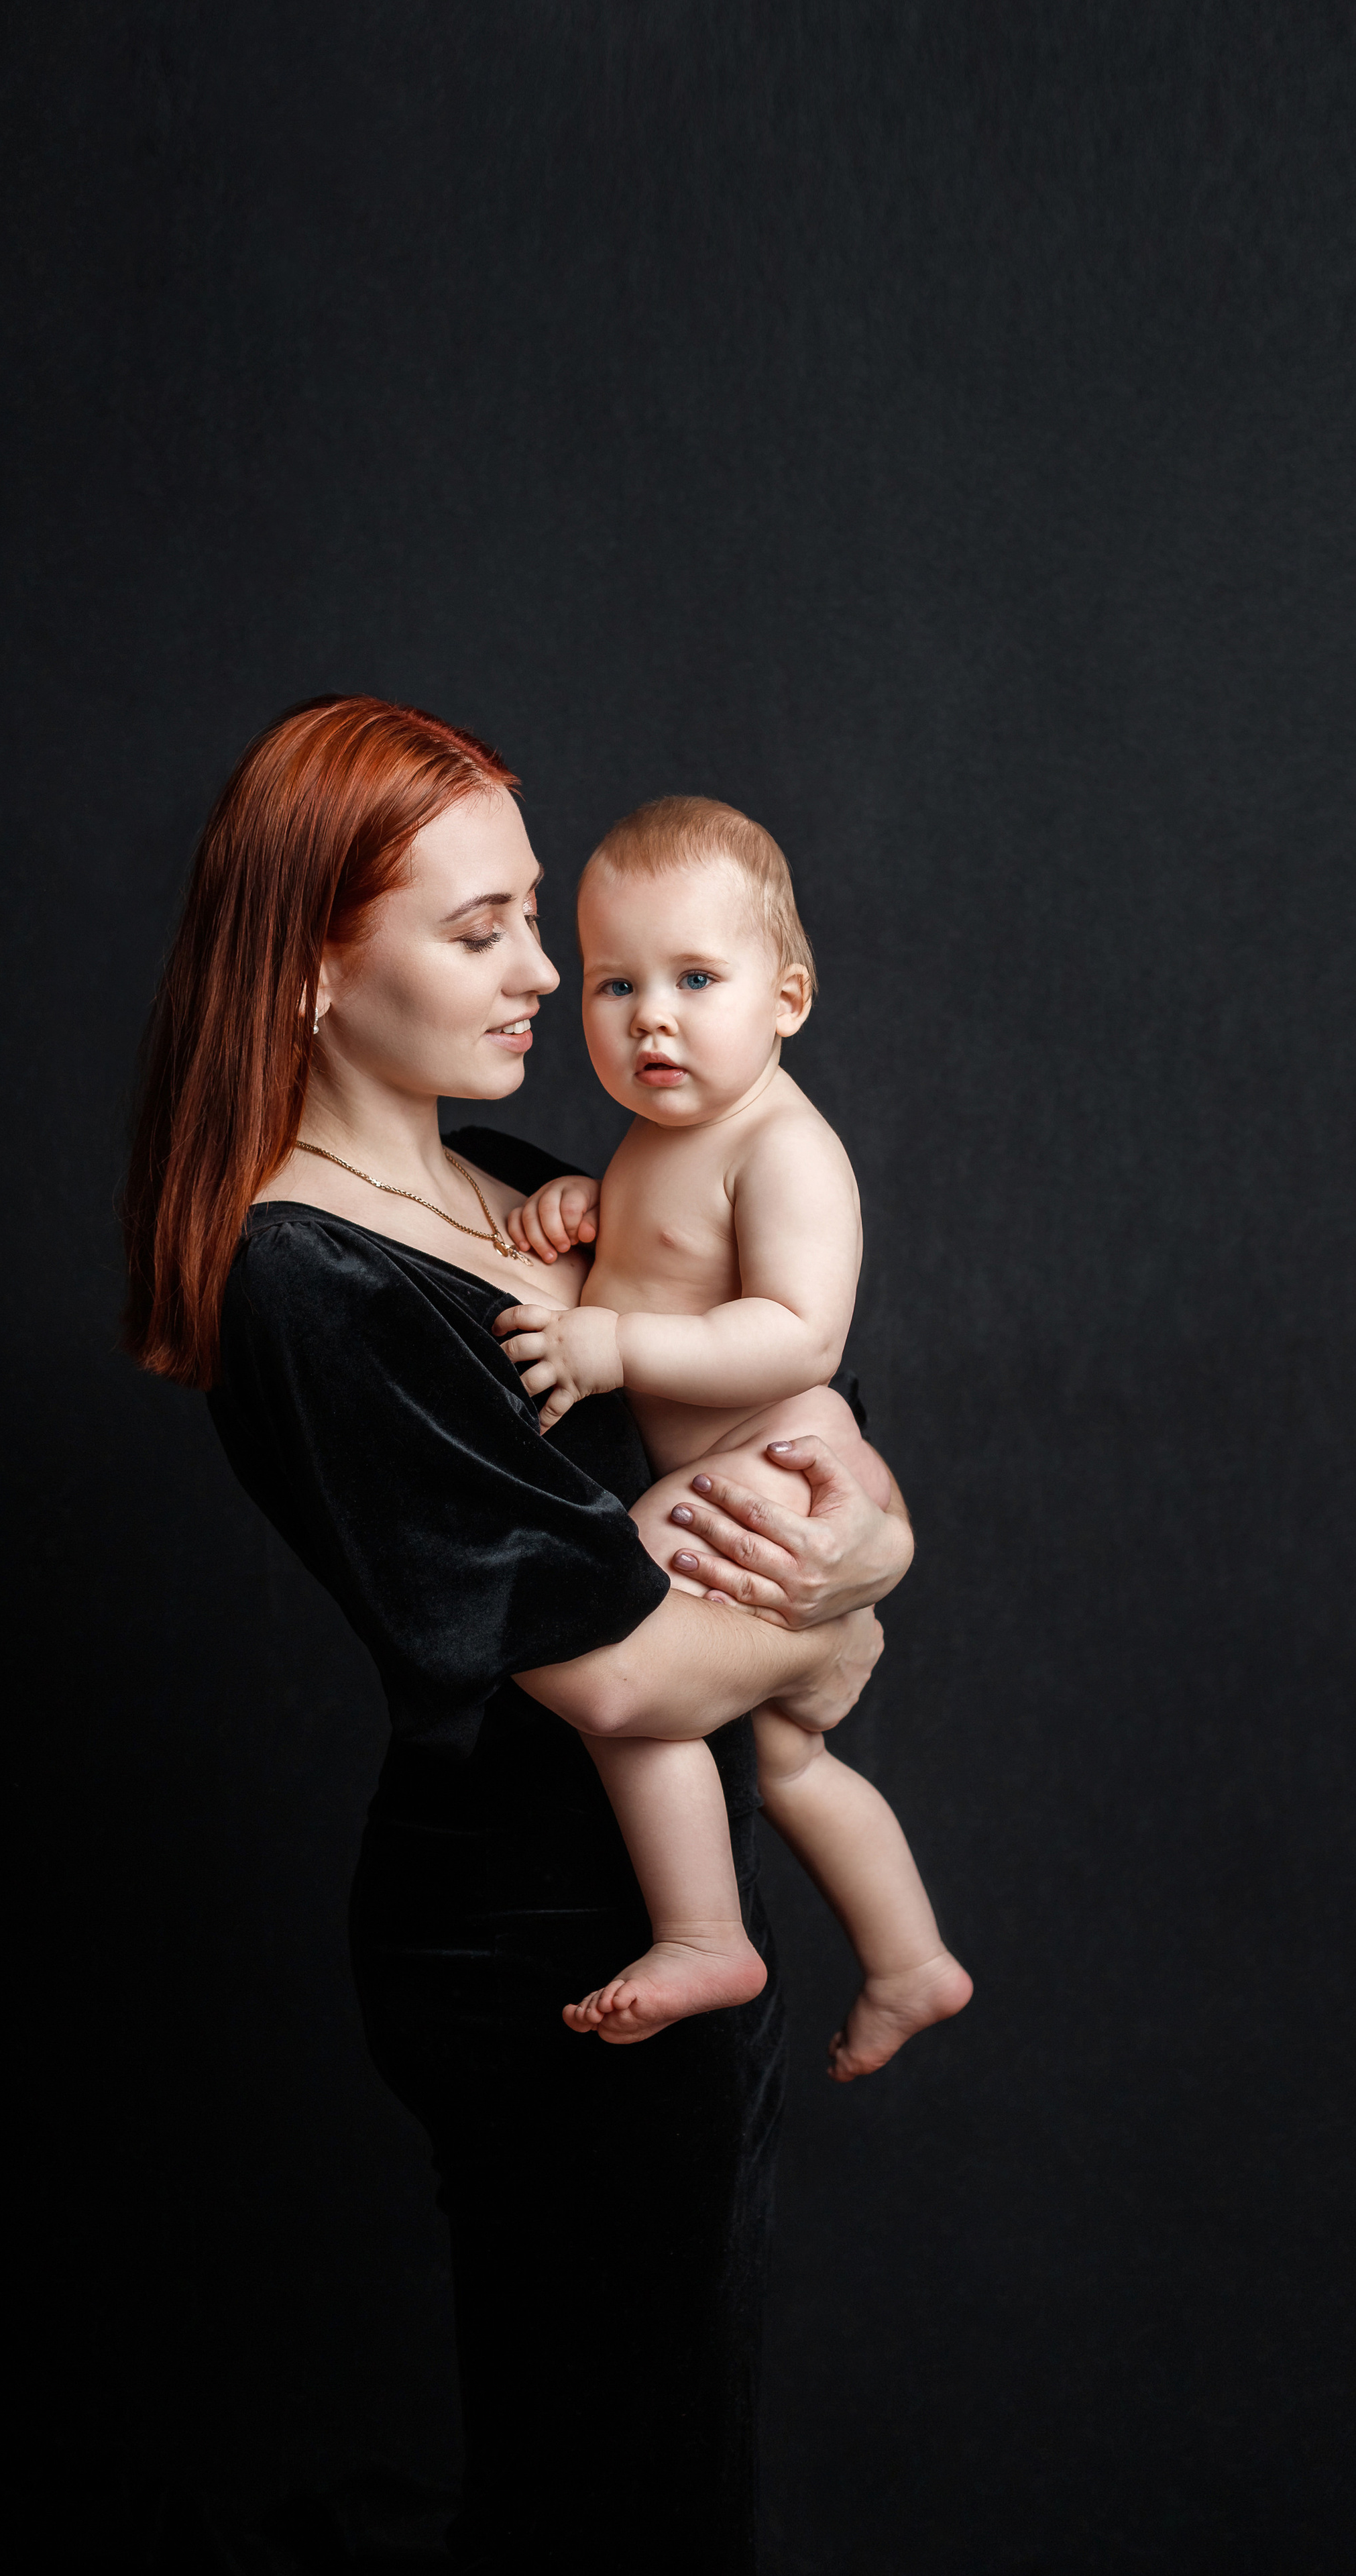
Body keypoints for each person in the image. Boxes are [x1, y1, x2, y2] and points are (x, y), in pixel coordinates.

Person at [119, 696, 913, 2575]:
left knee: (668, 2453)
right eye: (480, 931)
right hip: (543, 1942)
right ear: (316, 969)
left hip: (670, 1905)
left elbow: (803, 1441)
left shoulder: (526, 1188)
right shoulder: (304, 1279)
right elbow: (623, 1667)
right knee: (609, 2491)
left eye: (532, 916)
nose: (553, 974)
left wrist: (860, 1552)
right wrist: (836, 1613)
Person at [493, 796, 971, 2079]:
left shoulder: (785, 1147)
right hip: (733, 1455)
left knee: (607, 1638)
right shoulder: (662, 1136)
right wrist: (583, 1207)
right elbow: (667, 1253)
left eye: (697, 977)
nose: (651, 1014)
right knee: (787, 1752)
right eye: (614, 983)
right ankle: (909, 1956)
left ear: (790, 998)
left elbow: (799, 1334)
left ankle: (704, 1931)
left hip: (778, 1447)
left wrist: (620, 1345)